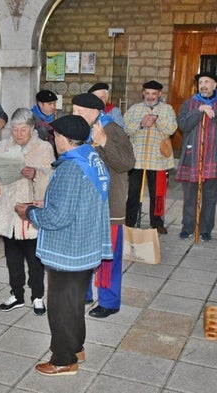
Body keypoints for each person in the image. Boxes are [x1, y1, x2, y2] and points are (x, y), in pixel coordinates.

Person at [15, 115, 112, 377]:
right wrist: (47, 205)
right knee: (73, 303)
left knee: (60, 307)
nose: (53, 139)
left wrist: (29, 213)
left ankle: (63, 359)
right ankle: (75, 347)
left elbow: (58, 218)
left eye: (55, 135)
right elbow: (77, 203)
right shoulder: (91, 159)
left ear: (65, 140)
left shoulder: (71, 168)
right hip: (86, 243)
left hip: (69, 249)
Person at [71, 92, 135, 319]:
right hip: (85, 205)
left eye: (79, 111)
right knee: (84, 250)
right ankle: (84, 293)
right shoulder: (79, 131)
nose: (75, 115)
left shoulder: (113, 130)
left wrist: (104, 142)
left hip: (109, 205)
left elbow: (127, 163)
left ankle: (109, 301)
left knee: (108, 255)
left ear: (94, 112)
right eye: (74, 110)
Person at [0, 108, 55, 315]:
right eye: (15, 129)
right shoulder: (2, 146)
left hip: (31, 212)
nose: (18, 134)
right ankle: (17, 294)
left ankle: (37, 296)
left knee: (35, 260)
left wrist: (35, 173)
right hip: (9, 211)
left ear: (32, 128)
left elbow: (52, 177)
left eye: (23, 129)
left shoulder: (43, 148)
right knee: (13, 259)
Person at [175, 71, 217, 241]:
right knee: (190, 196)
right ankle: (188, 227)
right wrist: (199, 111)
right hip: (192, 156)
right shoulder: (190, 103)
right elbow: (183, 125)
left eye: (207, 82)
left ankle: (205, 229)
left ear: (215, 85)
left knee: (210, 197)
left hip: (214, 157)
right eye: (201, 82)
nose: (203, 85)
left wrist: (216, 113)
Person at [124, 80, 177, 234]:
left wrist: (157, 120)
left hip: (158, 159)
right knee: (133, 192)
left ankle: (157, 222)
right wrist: (141, 124)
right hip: (137, 158)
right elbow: (125, 128)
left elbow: (172, 129)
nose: (150, 96)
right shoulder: (134, 109)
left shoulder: (167, 109)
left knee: (158, 193)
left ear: (159, 94)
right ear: (143, 93)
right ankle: (130, 220)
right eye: (147, 93)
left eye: (154, 93)